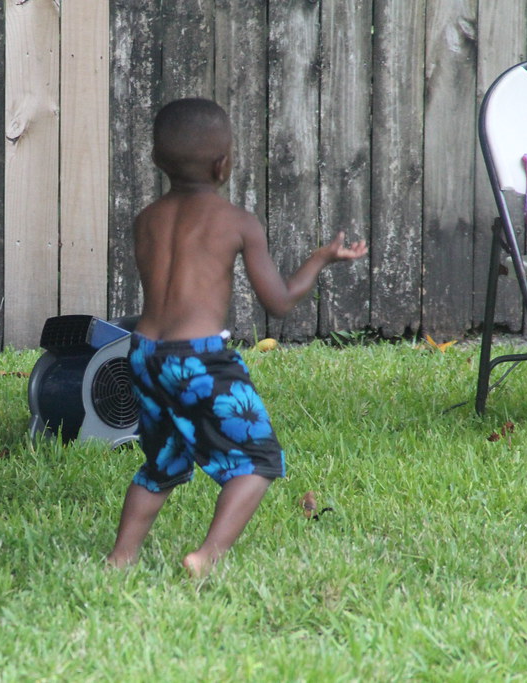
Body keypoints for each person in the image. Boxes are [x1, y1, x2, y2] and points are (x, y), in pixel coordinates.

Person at [105, 98, 368, 578]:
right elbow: (280, 301)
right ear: (224, 164)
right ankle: (207, 557)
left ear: (155, 161)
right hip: (199, 361)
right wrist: (320, 260)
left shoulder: (145, 218)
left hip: (143, 355)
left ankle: (121, 557)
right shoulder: (238, 222)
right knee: (258, 459)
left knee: (162, 461)